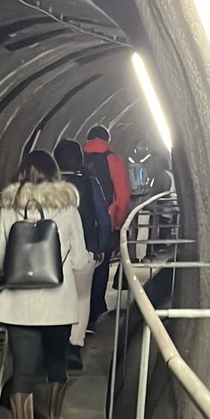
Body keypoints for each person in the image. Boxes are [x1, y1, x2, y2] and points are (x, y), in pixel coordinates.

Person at [0, 150, 90, 419]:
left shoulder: (9, 207)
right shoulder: (67, 206)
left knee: (21, 374)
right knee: (55, 363)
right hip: (56, 304)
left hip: (18, 305)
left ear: (22, 172)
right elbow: (77, 261)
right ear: (55, 174)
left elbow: (0, 260)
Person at [54, 138, 108, 370]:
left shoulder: (49, 185)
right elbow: (103, 217)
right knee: (82, 297)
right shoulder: (89, 182)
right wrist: (101, 246)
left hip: (53, 253)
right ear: (80, 159)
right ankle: (75, 345)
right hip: (85, 249)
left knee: (57, 297)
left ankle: (55, 343)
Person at [82, 125, 132, 328]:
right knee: (101, 265)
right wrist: (118, 222)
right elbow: (122, 194)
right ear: (107, 139)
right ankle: (96, 309)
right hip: (106, 221)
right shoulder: (114, 160)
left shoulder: (79, 157)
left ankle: (79, 311)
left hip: (79, 222)